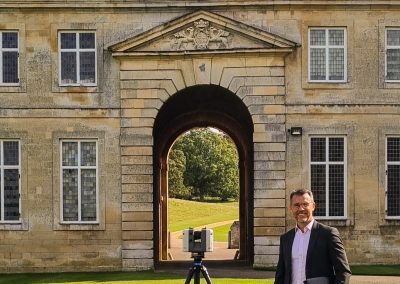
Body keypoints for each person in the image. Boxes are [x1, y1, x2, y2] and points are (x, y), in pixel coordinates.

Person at [274, 189, 351, 284]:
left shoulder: (328, 234)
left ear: (313, 206)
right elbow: (280, 274)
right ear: (291, 208)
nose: (301, 209)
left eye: (305, 204)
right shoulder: (286, 238)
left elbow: (343, 272)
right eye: (297, 205)